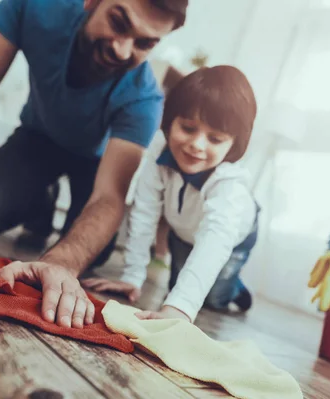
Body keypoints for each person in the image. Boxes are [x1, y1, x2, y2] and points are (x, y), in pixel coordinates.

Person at [0, 0, 188, 328]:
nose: (123, 51)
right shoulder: (34, 7)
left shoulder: (144, 97)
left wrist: (60, 262)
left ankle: (48, 210)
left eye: (144, 43)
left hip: (95, 162)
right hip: (38, 138)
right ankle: (42, 201)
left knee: (97, 251)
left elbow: (109, 195)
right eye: (119, 23)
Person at [82, 65, 259, 322]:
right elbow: (145, 211)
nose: (196, 145)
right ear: (169, 120)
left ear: (234, 144)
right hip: (184, 228)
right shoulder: (158, 151)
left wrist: (181, 309)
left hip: (229, 238)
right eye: (188, 128)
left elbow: (215, 240)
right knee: (177, 285)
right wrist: (132, 276)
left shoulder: (230, 184)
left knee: (207, 298)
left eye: (215, 139)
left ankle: (234, 288)